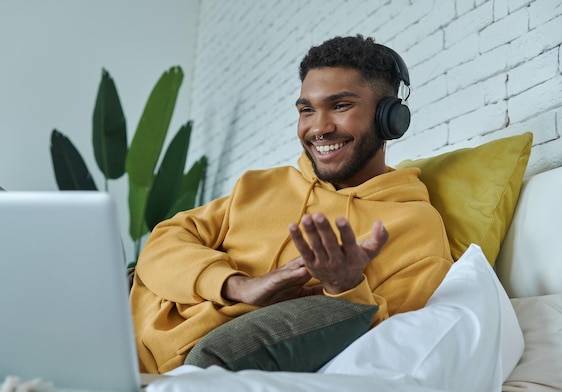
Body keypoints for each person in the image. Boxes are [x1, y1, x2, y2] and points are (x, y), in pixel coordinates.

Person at [130, 34, 454, 374]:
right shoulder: (261, 184)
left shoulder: (415, 226)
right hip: (122, 322)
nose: (319, 128)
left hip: (179, 371)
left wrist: (346, 287)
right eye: (307, 110)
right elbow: (163, 241)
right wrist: (238, 284)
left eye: (341, 106)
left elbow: (398, 349)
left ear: (390, 118)